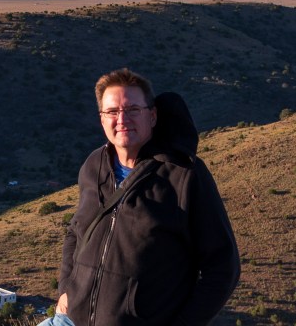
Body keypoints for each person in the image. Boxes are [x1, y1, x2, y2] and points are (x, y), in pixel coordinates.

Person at [41, 68, 240, 326]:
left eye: (133, 110)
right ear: (102, 120)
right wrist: (66, 289)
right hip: (70, 320)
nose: (122, 119)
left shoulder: (184, 175)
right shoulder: (94, 165)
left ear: (153, 116)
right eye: (112, 112)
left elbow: (223, 268)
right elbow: (75, 231)